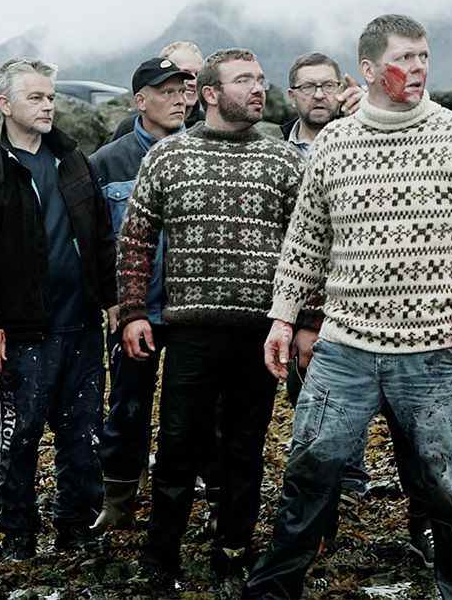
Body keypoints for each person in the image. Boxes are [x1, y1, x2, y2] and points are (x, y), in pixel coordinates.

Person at [244, 14, 452, 600]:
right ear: (371, 70)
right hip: (344, 347)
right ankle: (271, 593)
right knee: (309, 474)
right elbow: (307, 240)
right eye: (407, 57)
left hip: (434, 353)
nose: (420, 67)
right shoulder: (335, 142)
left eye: (426, 55)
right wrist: (282, 315)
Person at [116, 48, 313, 584]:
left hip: (262, 331)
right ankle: (161, 558)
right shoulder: (167, 156)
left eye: (262, 79)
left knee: (246, 448)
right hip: (191, 331)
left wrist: (306, 322)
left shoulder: (284, 160)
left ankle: (233, 550)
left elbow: (310, 244)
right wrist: (134, 312)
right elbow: (135, 240)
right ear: (209, 93)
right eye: (244, 80)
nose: (259, 89)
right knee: (179, 445)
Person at [0, 58, 117, 560]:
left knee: (84, 434)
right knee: (19, 435)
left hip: (82, 325)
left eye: (50, 97)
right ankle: (17, 534)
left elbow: (101, 236)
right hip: (25, 332)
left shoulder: (73, 161)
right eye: (35, 98)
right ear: (5, 105)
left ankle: (75, 528)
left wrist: (112, 301)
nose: (48, 105)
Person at [279, 50, 432, 563]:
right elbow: (295, 247)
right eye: (308, 87)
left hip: (389, 315)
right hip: (315, 323)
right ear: (292, 94)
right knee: (318, 435)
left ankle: (424, 524)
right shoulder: (279, 155)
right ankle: (319, 532)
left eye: (327, 85)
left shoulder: (373, 137)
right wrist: (300, 319)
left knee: (412, 430)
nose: (319, 95)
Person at [89, 57, 194, 531]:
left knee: (195, 410)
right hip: (137, 311)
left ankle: (198, 499)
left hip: (195, 310)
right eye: (166, 91)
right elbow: (93, 241)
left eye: (182, 90)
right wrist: (113, 302)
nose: (178, 99)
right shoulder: (107, 162)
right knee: (128, 406)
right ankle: (119, 499)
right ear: (140, 101)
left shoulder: (204, 153)